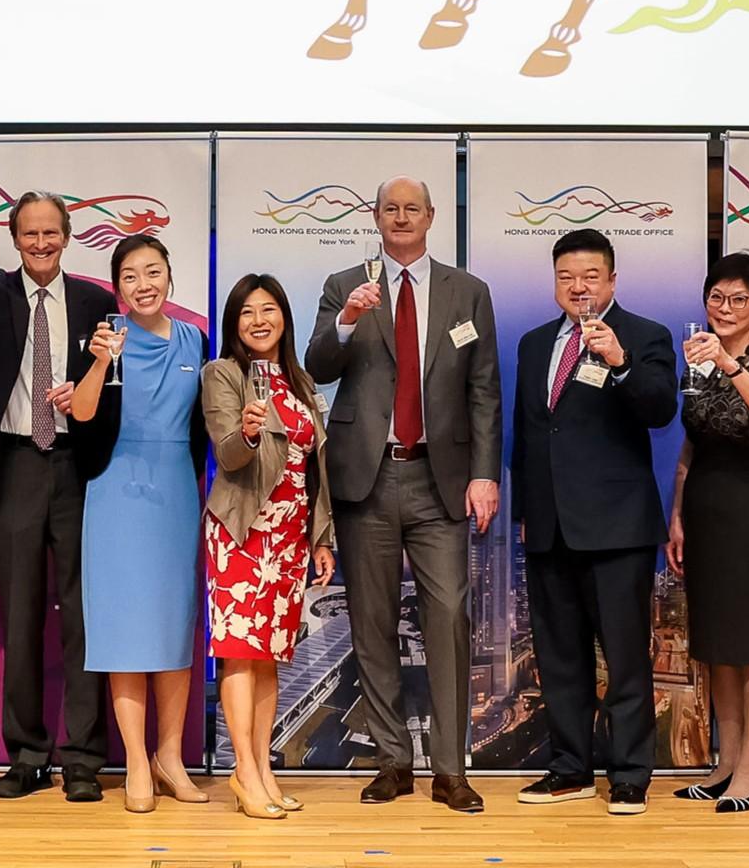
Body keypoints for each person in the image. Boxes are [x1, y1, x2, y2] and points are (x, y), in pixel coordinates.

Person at [304, 176, 501, 813]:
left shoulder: (467, 291)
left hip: (439, 478)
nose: (401, 217)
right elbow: (316, 364)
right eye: (390, 208)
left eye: (412, 208)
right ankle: (393, 760)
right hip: (366, 475)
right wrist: (347, 320)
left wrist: (485, 472)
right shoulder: (345, 285)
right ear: (376, 216)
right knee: (372, 623)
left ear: (431, 216)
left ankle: (450, 768)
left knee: (447, 620)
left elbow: (484, 391)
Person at [0, 182, 117, 801]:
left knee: (81, 618)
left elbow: (109, 385)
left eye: (51, 232)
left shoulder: (95, 301)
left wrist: (86, 399)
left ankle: (84, 761)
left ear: (67, 237)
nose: (41, 242)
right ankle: (28, 753)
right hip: (12, 466)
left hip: (78, 469)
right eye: (29, 233)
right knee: (21, 615)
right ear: (14, 239)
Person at [509, 230, 678, 816]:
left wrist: (619, 362)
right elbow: (528, 437)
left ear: (611, 281)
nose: (577, 287)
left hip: (617, 526)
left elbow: (660, 410)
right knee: (559, 656)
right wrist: (526, 514)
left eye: (590, 277)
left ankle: (630, 774)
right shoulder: (534, 345)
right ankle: (570, 768)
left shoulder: (644, 336)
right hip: (551, 526)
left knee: (626, 656)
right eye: (566, 278)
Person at [67, 234, 209, 812]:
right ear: (116, 286)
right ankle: (134, 765)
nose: (143, 284)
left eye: (153, 271)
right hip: (115, 494)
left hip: (175, 492)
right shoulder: (102, 340)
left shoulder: (194, 340)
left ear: (170, 276)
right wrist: (101, 360)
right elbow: (80, 412)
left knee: (174, 631)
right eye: (130, 275)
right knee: (125, 635)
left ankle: (169, 757)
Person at [203, 274, 336, 820]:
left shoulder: (300, 381)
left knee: (270, 660)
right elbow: (229, 454)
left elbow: (313, 469)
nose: (259, 321)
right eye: (247, 313)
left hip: (289, 536)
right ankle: (243, 771)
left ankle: (263, 768)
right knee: (240, 654)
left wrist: (321, 538)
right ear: (235, 324)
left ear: (284, 315)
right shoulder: (223, 375)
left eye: (269, 310)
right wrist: (251, 432)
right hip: (241, 533)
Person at [666, 250, 749, 813]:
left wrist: (728, 363)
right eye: (716, 297)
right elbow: (691, 440)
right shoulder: (694, 360)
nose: (724, 307)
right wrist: (676, 514)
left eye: (738, 298)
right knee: (716, 643)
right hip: (703, 503)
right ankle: (723, 761)